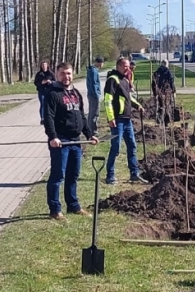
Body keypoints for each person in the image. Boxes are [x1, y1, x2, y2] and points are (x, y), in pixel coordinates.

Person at [44, 62, 98, 220]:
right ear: (57, 74)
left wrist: (89, 135)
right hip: (61, 142)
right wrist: (53, 137)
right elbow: (49, 118)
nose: (66, 76)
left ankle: (73, 206)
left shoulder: (75, 93)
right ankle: (55, 210)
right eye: (62, 73)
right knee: (57, 176)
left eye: (68, 73)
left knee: (73, 175)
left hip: (75, 141)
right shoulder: (52, 93)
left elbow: (81, 116)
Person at [104, 56, 147, 185]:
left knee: (132, 146)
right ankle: (110, 175)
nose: (127, 68)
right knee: (115, 148)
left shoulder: (125, 80)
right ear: (118, 67)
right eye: (124, 66)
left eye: (128, 66)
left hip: (127, 120)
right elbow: (107, 101)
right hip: (117, 121)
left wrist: (137, 105)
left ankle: (134, 173)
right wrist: (111, 118)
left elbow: (128, 98)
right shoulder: (113, 80)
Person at [152, 59, 176, 125]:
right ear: (167, 64)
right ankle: (166, 121)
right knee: (167, 106)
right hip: (167, 92)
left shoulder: (156, 72)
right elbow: (171, 82)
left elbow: (153, 83)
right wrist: (173, 91)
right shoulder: (169, 72)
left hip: (159, 92)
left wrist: (155, 93)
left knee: (160, 105)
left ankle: (159, 120)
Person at [86, 56, 104, 134]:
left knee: (91, 112)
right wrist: (96, 95)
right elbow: (94, 84)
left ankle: (90, 128)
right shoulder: (94, 71)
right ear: (100, 63)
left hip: (91, 94)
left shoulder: (92, 70)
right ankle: (93, 131)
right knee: (95, 113)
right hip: (94, 95)